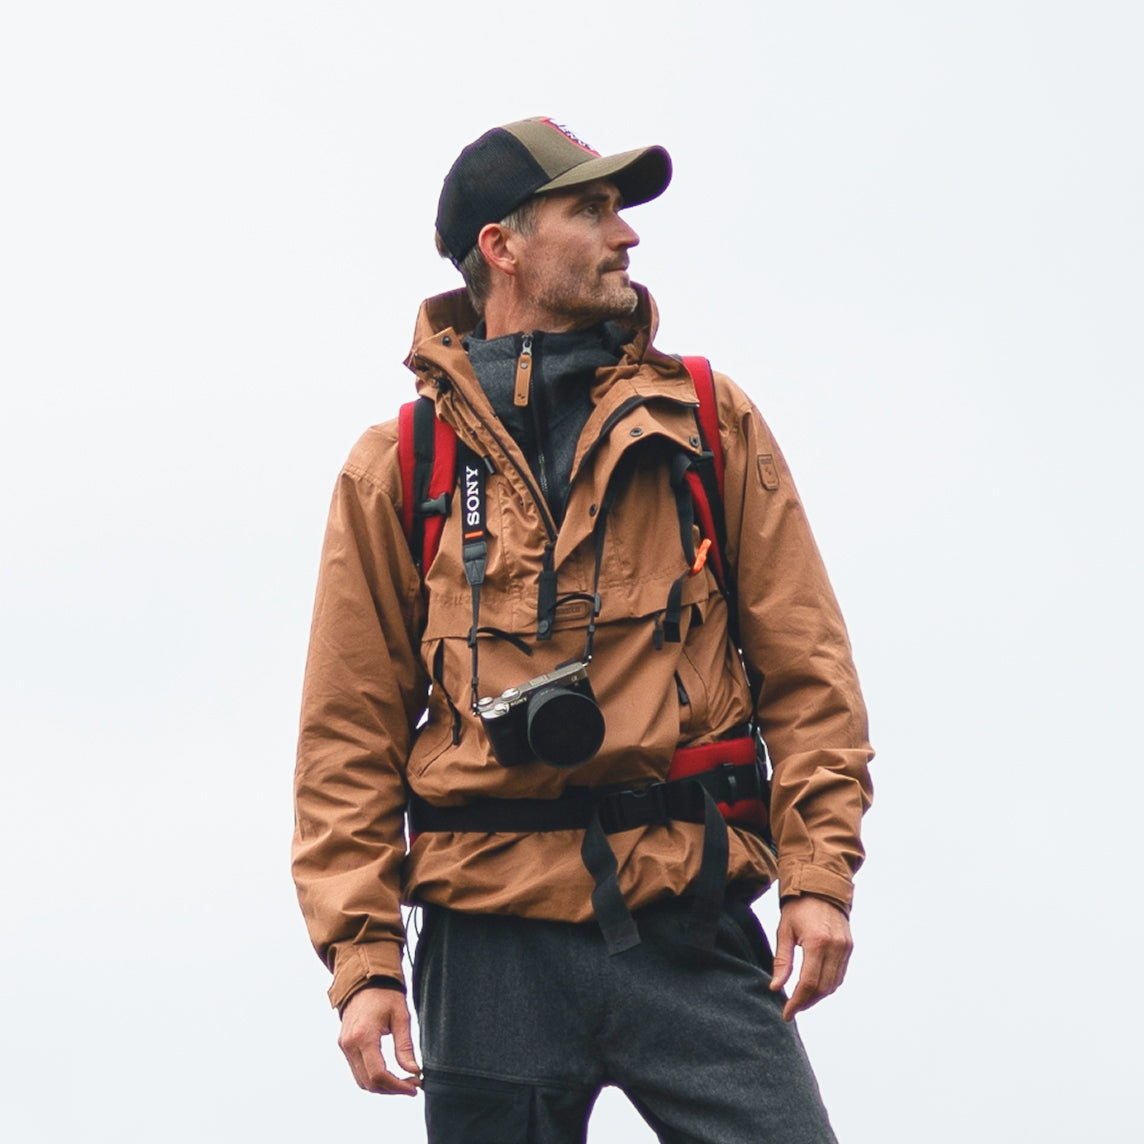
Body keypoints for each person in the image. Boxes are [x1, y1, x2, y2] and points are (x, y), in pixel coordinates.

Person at [293, 116, 874, 1143]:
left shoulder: (707, 419)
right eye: (592, 209)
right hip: (485, 945)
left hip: (688, 915)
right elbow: (347, 737)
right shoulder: (398, 465)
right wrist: (363, 961)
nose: (627, 235)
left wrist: (818, 877)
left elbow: (808, 671)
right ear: (501, 246)